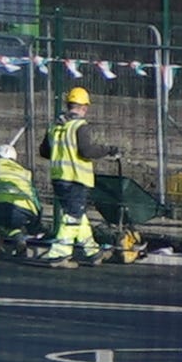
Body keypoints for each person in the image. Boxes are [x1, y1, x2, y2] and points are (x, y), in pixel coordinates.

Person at [41, 85, 103, 266]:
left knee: (76, 213)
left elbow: (44, 151)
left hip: (59, 178)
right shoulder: (80, 126)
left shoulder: (56, 126)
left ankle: (92, 252)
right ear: (84, 107)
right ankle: (58, 254)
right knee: (73, 216)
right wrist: (107, 150)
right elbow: (86, 150)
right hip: (77, 179)